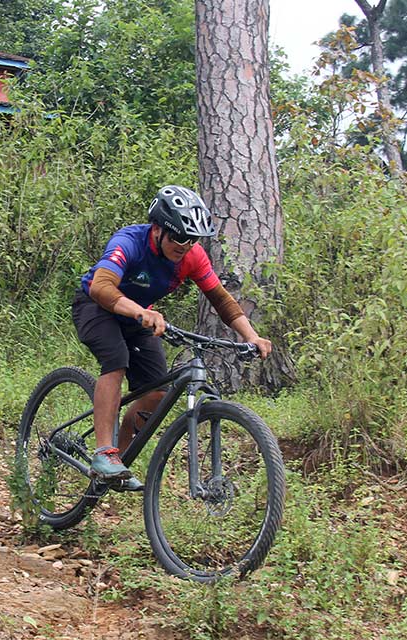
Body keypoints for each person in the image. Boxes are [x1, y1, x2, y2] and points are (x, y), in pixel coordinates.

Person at [73, 185, 273, 490]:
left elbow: (220, 299)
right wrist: (140, 311)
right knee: (116, 361)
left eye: (192, 239)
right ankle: (103, 451)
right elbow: (101, 287)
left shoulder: (192, 256)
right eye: (179, 236)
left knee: (157, 392)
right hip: (97, 306)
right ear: (158, 229)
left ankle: (117, 462)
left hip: (139, 316)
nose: (185, 245)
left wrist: (252, 336)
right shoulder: (130, 241)